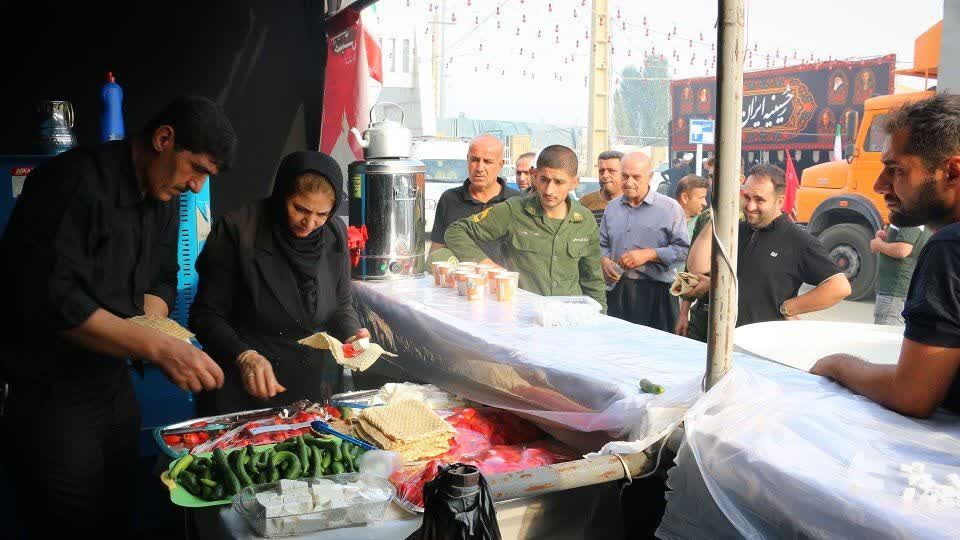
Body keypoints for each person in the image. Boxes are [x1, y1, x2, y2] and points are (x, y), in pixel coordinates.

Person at [0, 96, 235, 532]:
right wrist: (157, 347)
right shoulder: (73, 182)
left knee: (120, 512)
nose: (197, 186)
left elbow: (162, 277)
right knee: (70, 521)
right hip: (50, 393)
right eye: (196, 169)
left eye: (208, 176)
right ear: (164, 139)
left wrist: (156, 326)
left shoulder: (164, 197)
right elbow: (55, 299)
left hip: (112, 384)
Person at [810, 94, 960, 418]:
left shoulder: (950, 247)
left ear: (952, 171)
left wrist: (836, 364)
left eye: (896, 170)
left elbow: (912, 394)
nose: (880, 185)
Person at [190, 151, 369, 414]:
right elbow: (205, 315)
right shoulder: (238, 230)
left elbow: (341, 304)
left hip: (305, 387)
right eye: (300, 209)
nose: (309, 223)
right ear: (282, 193)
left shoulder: (334, 233)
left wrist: (352, 335)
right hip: (243, 385)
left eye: (322, 214)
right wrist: (244, 355)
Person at [682, 164, 851, 339]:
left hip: (753, 343)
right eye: (747, 197)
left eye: (759, 200)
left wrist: (789, 307)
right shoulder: (733, 230)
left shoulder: (797, 240)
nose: (750, 206)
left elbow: (839, 287)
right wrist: (718, 214)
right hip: (708, 335)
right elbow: (696, 268)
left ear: (779, 202)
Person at [444, 145, 607, 311]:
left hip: (569, 317)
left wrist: (600, 319)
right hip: (522, 315)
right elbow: (456, 231)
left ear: (574, 183)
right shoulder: (514, 211)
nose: (549, 190)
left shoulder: (585, 220)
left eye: (559, 182)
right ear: (534, 175)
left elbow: (593, 281)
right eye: (544, 179)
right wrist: (486, 265)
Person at [600, 151, 690, 331]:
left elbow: (683, 251)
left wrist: (650, 255)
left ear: (650, 177)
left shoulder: (669, 209)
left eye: (636, 177)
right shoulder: (612, 208)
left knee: (655, 347)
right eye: (625, 176)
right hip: (618, 290)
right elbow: (601, 245)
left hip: (657, 294)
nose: (629, 182)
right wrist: (605, 261)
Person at [428, 134, 521, 265]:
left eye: (487, 162)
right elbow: (437, 251)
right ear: (467, 159)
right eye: (475, 160)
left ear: (500, 165)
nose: (479, 168)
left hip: (504, 277)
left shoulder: (517, 202)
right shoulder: (449, 199)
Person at [871, 224, 931, 326]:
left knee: (886, 332)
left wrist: (878, 245)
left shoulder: (909, 218)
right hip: (899, 290)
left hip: (895, 291)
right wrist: (887, 238)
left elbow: (902, 250)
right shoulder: (916, 219)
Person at [578, 150, 624, 226]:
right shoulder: (584, 203)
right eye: (601, 171)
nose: (605, 175)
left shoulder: (635, 202)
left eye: (612, 171)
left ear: (624, 173)